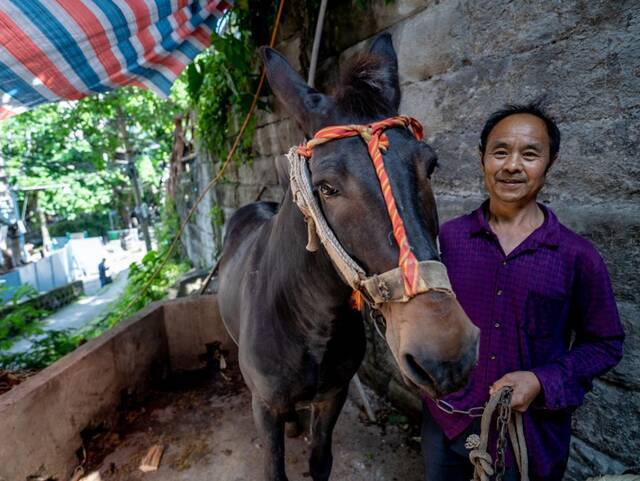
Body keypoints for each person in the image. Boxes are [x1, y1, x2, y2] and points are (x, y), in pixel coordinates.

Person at [422, 102, 624, 481]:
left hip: (528, 436)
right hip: (445, 421)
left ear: (550, 162)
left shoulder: (577, 255)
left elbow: (606, 343)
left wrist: (542, 380)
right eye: (500, 151)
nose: (512, 165)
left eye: (529, 154)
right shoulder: (447, 239)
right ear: (482, 158)